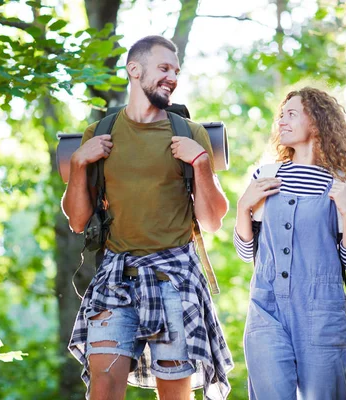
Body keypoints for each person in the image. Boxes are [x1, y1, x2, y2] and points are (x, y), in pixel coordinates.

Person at [63, 35, 233, 400]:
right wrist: (79, 163)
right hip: (116, 277)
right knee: (104, 388)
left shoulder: (188, 132)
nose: (172, 77)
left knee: (174, 394)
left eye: (176, 71)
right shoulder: (101, 133)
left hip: (175, 279)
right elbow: (78, 221)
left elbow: (213, 220)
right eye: (164, 68)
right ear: (134, 70)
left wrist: (201, 164)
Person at [233, 87, 346, 399]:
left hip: (322, 312)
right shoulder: (264, 176)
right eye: (281, 115)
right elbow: (245, 252)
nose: (281, 120)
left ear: (317, 124)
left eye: (291, 114)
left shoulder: (340, 186)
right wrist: (244, 207)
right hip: (265, 308)